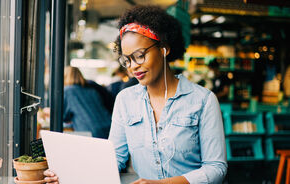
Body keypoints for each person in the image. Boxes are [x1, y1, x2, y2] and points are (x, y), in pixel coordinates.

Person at [44, 5, 227, 184]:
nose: (133, 66)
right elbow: (114, 158)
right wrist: (68, 175)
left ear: (164, 48)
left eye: (139, 55)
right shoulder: (126, 100)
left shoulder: (203, 100)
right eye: (127, 60)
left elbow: (216, 168)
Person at [62, 66, 111, 138]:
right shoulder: (92, 90)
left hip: (90, 132)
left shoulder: (68, 91)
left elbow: (64, 117)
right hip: (108, 128)